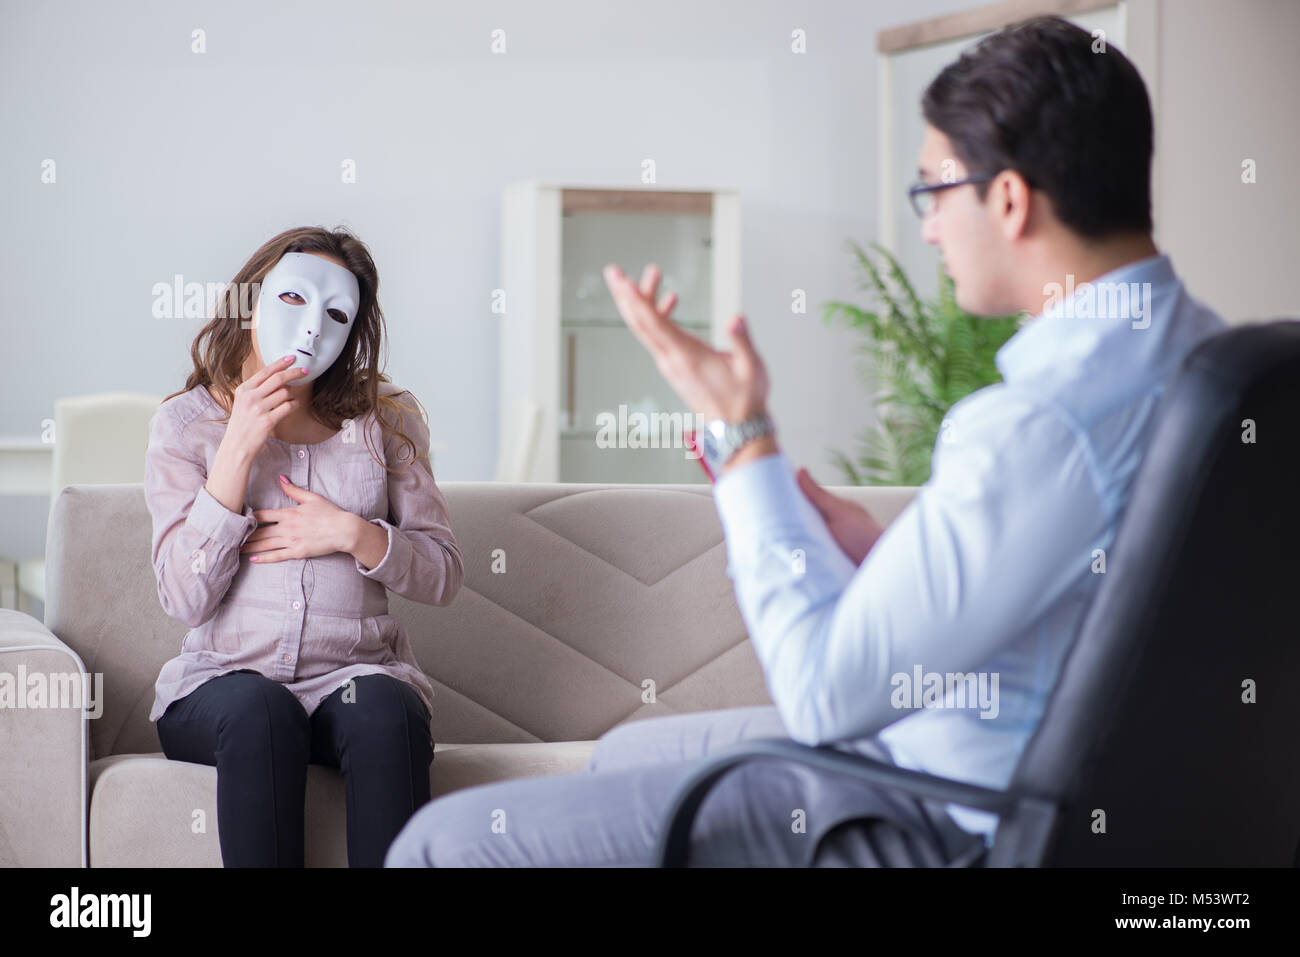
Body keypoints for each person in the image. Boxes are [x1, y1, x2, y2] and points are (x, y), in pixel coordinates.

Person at [384, 14, 1228, 867]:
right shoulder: (1215, 364)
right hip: (1084, 789)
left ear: (1007, 199)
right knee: (624, 753)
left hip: (950, 813)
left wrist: (745, 441)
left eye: (932, 191)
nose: (929, 227)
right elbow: (1086, 590)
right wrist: (886, 550)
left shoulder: (1040, 421)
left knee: (439, 844)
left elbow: (826, 693)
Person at [144, 226, 464, 866]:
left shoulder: (388, 421)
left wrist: (354, 533)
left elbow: (443, 574)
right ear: (254, 298)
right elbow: (183, 597)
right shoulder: (185, 424)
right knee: (262, 710)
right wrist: (236, 450)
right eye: (293, 299)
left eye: (336, 312)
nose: (311, 327)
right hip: (223, 687)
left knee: (385, 710)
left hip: (350, 679)